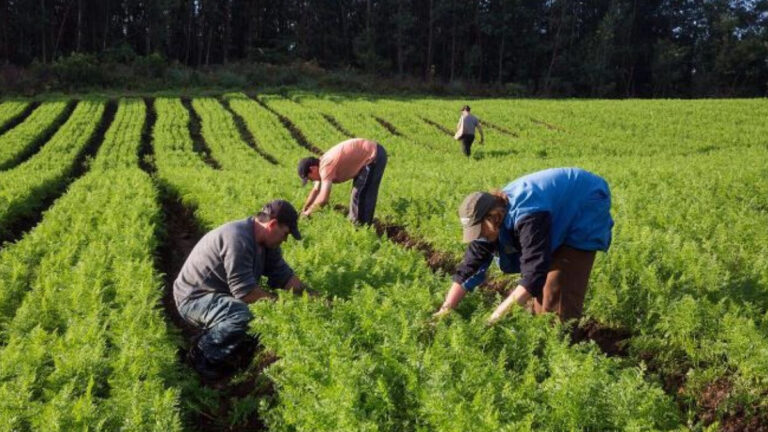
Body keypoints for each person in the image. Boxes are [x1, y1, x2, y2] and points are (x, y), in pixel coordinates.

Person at [433, 167, 614, 325]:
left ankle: (560, 348)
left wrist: (494, 318)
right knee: (541, 294)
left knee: (556, 295)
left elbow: (533, 274)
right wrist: (445, 310)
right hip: (555, 210)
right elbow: (468, 269)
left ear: (493, 218)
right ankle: (543, 337)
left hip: (584, 204)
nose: (479, 238)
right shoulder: (489, 225)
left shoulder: (528, 217)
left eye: (480, 232)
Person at [174, 199, 308, 382]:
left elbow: (284, 277)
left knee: (248, 317)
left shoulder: (267, 244)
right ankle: (201, 353)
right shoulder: (238, 237)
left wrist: (311, 297)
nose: (285, 240)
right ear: (273, 224)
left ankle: (229, 350)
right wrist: (282, 304)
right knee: (241, 314)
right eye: (286, 234)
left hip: (218, 295)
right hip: (193, 298)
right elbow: (246, 293)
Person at [297, 138, 387, 225]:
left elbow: (323, 198)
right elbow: (316, 191)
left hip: (374, 156)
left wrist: (308, 213)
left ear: (312, 169)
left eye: (310, 178)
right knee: (358, 193)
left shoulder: (326, 167)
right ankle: (358, 225)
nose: (312, 180)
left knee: (360, 195)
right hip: (369, 154)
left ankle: (360, 228)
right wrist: (305, 209)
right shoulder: (321, 163)